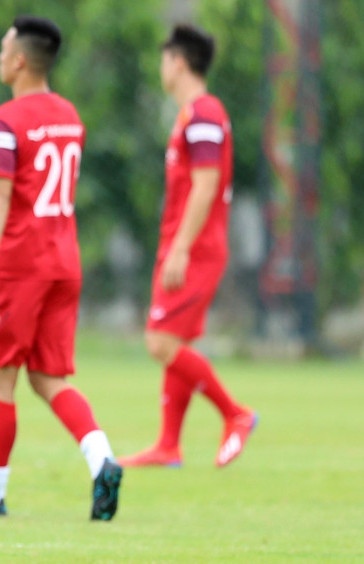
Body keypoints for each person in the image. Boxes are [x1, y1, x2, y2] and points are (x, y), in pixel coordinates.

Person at [0, 16, 122, 521]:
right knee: (48, 378)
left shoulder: (5, 120)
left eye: (2, 49)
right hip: (64, 261)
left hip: (20, 264)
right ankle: (101, 458)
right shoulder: (70, 115)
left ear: (19, 60)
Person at [119, 25, 257, 469]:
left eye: (163, 59)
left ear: (178, 62)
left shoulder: (204, 114)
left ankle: (235, 414)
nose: (161, 68)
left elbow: (206, 184)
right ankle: (168, 445)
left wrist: (180, 248)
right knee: (173, 341)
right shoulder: (191, 114)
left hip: (195, 248)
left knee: (159, 342)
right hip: (184, 245)